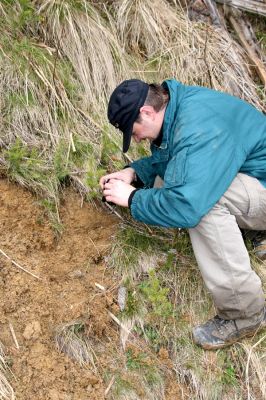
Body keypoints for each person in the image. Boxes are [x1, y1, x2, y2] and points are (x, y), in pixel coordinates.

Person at [99, 78, 266, 350]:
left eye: (134, 130)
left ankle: (245, 314)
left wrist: (132, 198)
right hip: (256, 176)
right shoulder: (179, 107)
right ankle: (255, 230)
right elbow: (178, 157)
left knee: (205, 205)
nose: (136, 138)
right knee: (180, 185)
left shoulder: (197, 126)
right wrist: (136, 173)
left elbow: (188, 207)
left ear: (147, 112)